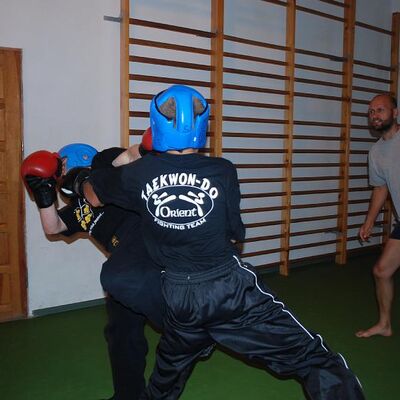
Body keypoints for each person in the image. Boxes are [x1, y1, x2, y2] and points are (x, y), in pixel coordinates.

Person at [79, 85, 365, 399]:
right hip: (228, 289)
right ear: (202, 127)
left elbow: (92, 194)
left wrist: (85, 179)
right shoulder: (222, 170)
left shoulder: (138, 174)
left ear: (156, 124)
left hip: (177, 296)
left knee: (165, 378)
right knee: (312, 358)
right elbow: (235, 233)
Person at [21, 139, 165, 400]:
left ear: (78, 159)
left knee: (122, 280)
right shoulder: (78, 208)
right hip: (124, 266)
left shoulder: (104, 163)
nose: (59, 174)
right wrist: (44, 197)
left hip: (147, 246)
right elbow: (53, 228)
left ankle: (189, 329)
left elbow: (131, 155)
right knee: (120, 332)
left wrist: (149, 143)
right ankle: (128, 395)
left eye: (62, 166)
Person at [355, 93, 400, 338]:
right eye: (371, 111)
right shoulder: (376, 152)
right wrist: (369, 220)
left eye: (380, 110)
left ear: (395, 112)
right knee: (382, 271)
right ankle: (384, 324)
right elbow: (381, 188)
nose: (375, 115)